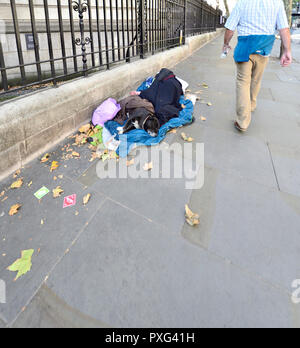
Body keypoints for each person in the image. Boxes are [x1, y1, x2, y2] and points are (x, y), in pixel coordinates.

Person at [223, 0, 292, 132]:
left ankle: (243, 121)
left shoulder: (242, 2)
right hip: (264, 48)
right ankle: (252, 105)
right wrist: (287, 51)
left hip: (245, 48)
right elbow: (284, 28)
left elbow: (230, 28)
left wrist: (226, 44)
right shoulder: (276, 3)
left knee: (243, 82)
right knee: (256, 79)